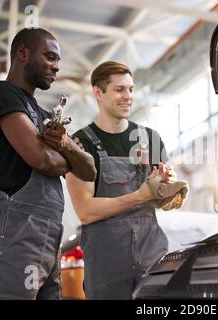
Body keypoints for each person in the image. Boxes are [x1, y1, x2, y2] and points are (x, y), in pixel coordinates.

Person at [0, 28, 96, 300]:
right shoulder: (2, 94)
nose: (56, 67)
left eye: (58, 60)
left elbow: (89, 170)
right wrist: (67, 157)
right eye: (50, 57)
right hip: (16, 228)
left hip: (49, 234)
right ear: (22, 54)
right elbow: (41, 159)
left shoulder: (43, 117)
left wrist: (63, 147)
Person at [67, 61, 175, 299]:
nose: (128, 96)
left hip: (151, 253)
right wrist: (141, 196)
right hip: (107, 261)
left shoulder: (151, 139)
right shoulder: (80, 145)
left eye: (131, 89)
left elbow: (163, 204)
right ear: (98, 92)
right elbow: (85, 211)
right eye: (119, 89)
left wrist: (166, 189)